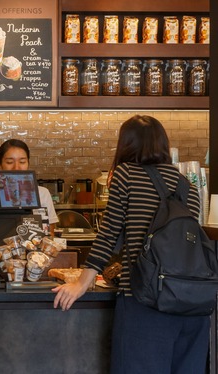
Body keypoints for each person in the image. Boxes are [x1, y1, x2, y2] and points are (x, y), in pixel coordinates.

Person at [52, 115, 207, 373]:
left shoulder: (126, 174)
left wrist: (81, 283)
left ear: (126, 144)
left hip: (145, 303)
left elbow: (109, 233)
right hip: (190, 309)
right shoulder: (187, 185)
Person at [0, 139, 59, 227]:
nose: (16, 168)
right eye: (9, 162)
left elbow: (50, 232)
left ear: (28, 164)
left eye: (22, 162)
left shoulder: (42, 193)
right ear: (0, 164)